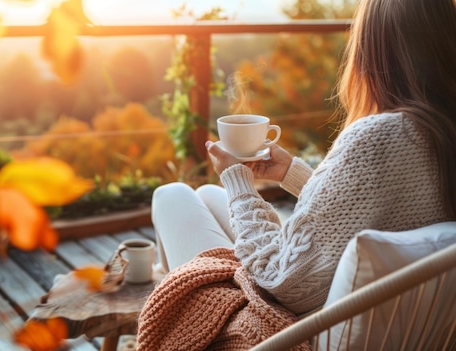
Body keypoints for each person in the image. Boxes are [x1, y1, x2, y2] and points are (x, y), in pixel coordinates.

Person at [139, 0, 456, 347]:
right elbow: (377, 210)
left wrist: (236, 180)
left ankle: (178, 324)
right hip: (389, 322)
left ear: (377, 52)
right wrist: (292, 172)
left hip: (286, 331)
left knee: (173, 196)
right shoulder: (440, 130)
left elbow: (282, 282)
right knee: (209, 197)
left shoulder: (379, 136)